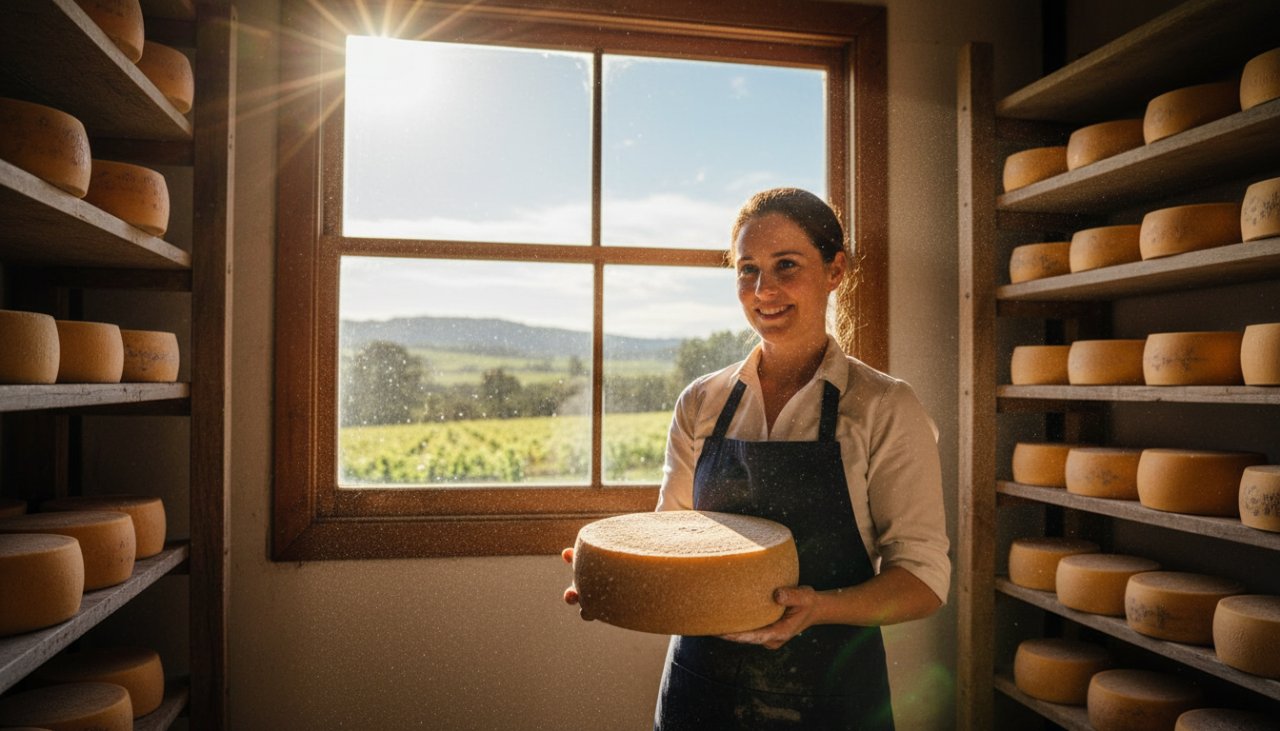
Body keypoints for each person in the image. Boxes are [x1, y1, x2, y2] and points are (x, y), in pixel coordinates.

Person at [563, 187, 949, 730]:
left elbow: (924, 581)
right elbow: (673, 533)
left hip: (830, 697)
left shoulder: (884, 407)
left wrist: (818, 607)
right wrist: (619, 578)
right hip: (700, 691)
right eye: (747, 270)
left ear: (835, 270)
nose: (764, 290)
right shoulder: (701, 402)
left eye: (785, 265)